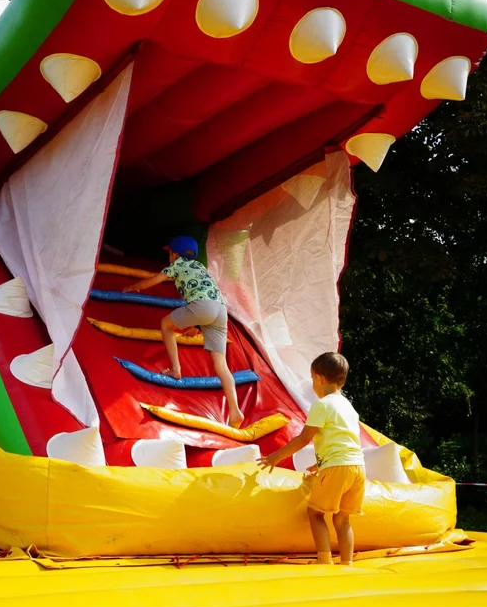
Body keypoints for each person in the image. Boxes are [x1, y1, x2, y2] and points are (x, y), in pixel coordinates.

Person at [122, 235, 243, 428]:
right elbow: (206, 295)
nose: (169, 256)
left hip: (202, 307)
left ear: (174, 253)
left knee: (166, 324)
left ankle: (176, 369)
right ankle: (235, 410)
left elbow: (154, 280)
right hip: (220, 310)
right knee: (221, 364)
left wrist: (134, 287)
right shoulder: (200, 267)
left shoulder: (177, 265)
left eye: (169, 253)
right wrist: (196, 326)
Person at [258, 352, 365, 566]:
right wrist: (322, 463)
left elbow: (304, 438)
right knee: (342, 519)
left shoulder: (322, 405)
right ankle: (347, 563)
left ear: (319, 378)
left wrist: (276, 456)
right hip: (358, 467)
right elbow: (343, 440)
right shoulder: (348, 407)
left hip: (338, 467)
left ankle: (324, 561)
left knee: (315, 513)